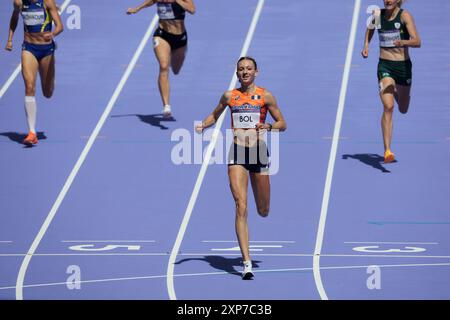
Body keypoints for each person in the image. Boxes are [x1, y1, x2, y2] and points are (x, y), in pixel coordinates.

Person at [196, 57, 287, 279]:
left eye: (248, 69)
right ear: (237, 74)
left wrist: (269, 126)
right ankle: (246, 262)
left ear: (256, 72)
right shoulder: (230, 96)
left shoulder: (266, 96)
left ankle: (261, 210)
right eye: (241, 69)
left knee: (263, 210)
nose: (244, 72)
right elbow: (215, 115)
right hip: (236, 152)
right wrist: (203, 124)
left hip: (258, 152)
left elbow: (282, 123)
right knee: (241, 205)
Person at [362, 0, 421, 163]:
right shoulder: (377, 15)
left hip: (403, 67)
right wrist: (366, 45)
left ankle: (396, 90)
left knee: (403, 108)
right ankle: (387, 150)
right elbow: (369, 30)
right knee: (388, 107)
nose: (388, 0)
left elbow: (417, 41)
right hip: (385, 65)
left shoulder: (405, 16)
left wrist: (404, 42)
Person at [5, 0, 63, 146]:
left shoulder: (47, 3)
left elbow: (60, 26)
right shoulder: (19, 3)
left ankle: (50, 78)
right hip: (28, 48)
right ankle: (32, 132)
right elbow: (14, 19)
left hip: (46, 50)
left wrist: (52, 34)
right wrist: (10, 39)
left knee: (47, 92)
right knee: (29, 87)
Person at [127, 0, 195, 118]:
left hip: (180, 38)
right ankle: (166, 106)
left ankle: (176, 53)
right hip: (162, 34)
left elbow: (192, 10)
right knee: (164, 66)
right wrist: (136, 9)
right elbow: (151, 1)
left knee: (176, 70)